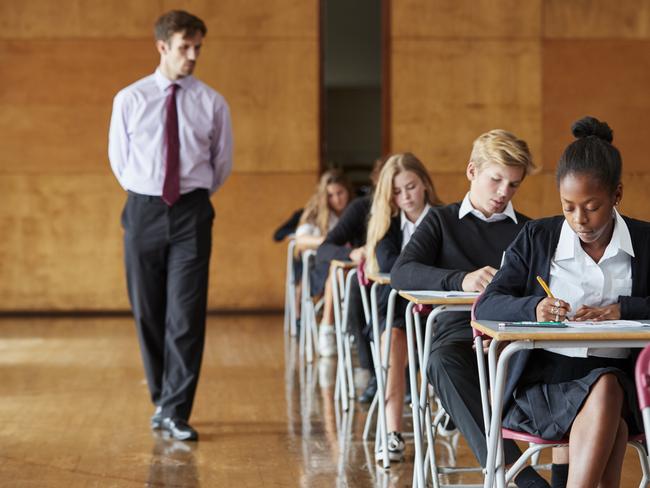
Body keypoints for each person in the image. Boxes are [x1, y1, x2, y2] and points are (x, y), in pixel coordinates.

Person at [476, 116, 649, 487]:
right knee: (607, 398)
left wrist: (625, 309)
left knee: (608, 390)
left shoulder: (645, 241)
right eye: (568, 207)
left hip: (632, 385)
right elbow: (487, 305)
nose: (579, 220)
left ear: (617, 195)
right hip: (545, 384)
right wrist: (534, 307)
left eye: (592, 206)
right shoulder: (537, 236)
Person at [391, 130, 556, 487]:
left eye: (513, 185)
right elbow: (402, 272)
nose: (503, 193)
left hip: (516, 339)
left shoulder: (530, 231)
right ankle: (520, 475)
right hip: (460, 341)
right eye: (496, 179)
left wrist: (508, 331)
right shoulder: (440, 221)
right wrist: (460, 279)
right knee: (441, 362)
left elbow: (544, 294)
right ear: (471, 172)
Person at [108, 10, 233, 441]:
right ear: (162, 46)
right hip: (142, 208)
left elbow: (221, 165)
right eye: (184, 47)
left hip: (192, 212)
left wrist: (189, 199)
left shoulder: (212, 102)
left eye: (198, 47)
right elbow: (119, 162)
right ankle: (162, 397)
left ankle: (177, 409)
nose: (193, 55)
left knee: (186, 313)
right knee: (148, 309)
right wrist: (148, 194)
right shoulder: (129, 99)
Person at [364, 152, 443, 461]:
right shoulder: (386, 225)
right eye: (397, 192)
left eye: (410, 187)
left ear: (424, 183)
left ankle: (451, 407)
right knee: (394, 341)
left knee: (451, 339)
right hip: (395, 312)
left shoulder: (443, 218)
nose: (405, 197)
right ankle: (392, 431)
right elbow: (391, 266)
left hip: (437, 311)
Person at [293, 169, 352, 329]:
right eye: (331, 195)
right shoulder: (316, 212)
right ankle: (330, 324)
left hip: (347, 264)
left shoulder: (354, 210)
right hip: (321, 267)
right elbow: (301, 239)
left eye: (340, 193)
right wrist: (328, 242)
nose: (337, 199)